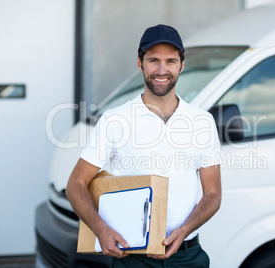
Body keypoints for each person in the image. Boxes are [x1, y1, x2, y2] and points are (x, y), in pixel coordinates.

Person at [66, 24, 221, 267]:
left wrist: (185, 230)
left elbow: (213, 194)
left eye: (170, 61)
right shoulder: (115, 120)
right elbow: (75, 185)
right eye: (153, 60)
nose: (162, 70)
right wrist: (100, 230)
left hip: (188, 256)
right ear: (140, 64)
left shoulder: (202, 121)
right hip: (133, 258)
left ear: (182, 65)